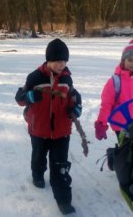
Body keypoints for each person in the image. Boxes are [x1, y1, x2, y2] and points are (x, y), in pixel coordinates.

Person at [15, 38, 82, 215]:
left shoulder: (67, 78)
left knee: (60, 165)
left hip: (61, 130)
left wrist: (76, 107)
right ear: (48, 60)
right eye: (57, 61)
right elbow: (20, 97)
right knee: (39, 156)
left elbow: (74, 96)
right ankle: (37, 174)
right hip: (39, 129)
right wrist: (29, 96)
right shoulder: (35, 77)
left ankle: (63, 200)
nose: (61, 65)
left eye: (64, 61)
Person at [94, 39, 133, 140]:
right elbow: (106, 105)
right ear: (123, 60)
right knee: (126, 151)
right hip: (121, 126)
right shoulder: (115, 81)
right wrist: (101, 123)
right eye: (130, 60)